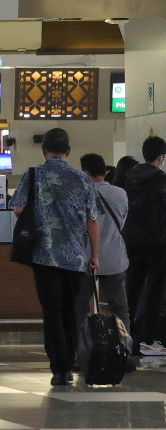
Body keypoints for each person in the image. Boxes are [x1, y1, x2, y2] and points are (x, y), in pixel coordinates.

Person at [10, 128, 99, 386]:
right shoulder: (83, 179)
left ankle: (58, 369)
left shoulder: (33, 174)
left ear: (43, 149)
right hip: (74, 259)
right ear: (69, 151)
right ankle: (70, 362)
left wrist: (42, 220)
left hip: (44, 256)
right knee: (71, 311)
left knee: (51, 312)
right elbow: (93, 221)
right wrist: (94, 255)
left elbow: (18, 209)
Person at [77, 154, 131, 350]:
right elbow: (122, 223)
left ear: (85, 172)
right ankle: (124, 350)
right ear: (106, 172)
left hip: (85, 259)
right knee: (119, 308)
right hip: (115, 257)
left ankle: (80, 351)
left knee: (80, 307)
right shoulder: (121, 194)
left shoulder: (81, 193)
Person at [122, 136, 166, 355]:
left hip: (131, 241)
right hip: (156, 243)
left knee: (131, 290)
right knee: (154, 293)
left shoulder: (129, 177)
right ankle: (149, 339)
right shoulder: (160, 179)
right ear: (161, 157)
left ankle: (126, 338)